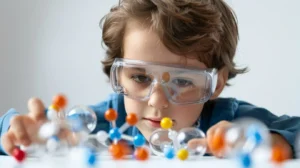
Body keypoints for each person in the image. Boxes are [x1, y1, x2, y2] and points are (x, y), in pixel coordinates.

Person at [1, 0, 299, 159]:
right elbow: (34, 131)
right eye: (140, 77)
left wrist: (272, 142)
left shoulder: (228, 123)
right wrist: (21, 131)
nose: (157, 102)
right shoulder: (109, 122)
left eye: (182, 81)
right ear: (118, 74)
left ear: (215, 84)